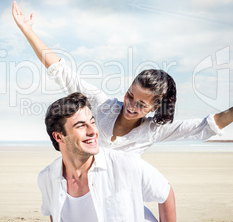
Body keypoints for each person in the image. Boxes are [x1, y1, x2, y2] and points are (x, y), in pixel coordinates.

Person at [12, 1, 233, 154]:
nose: (130, 105)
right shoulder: (102, 104)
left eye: (142, 104)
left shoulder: (154, 131)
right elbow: (61, 70)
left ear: (156, 107)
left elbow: (208, 125)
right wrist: (27, 31)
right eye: (131, 95)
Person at [38, 92, 176, 221]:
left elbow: (165, 192)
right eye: (81, 126)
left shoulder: (126, 164)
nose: (93, 131)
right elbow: (54, 214)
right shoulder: (47, 178)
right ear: (58, 136)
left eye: (92, 122)